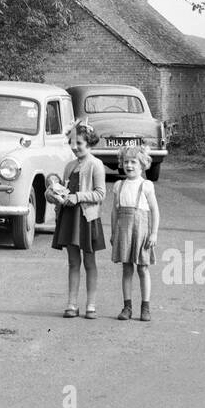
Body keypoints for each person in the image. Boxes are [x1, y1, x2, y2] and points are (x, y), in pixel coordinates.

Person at [49, 123, 108, 319]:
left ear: (89, 143)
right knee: (73, 262)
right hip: (69, 218)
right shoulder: (69, 166)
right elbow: (65, 190)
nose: (74, 147)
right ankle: (72, 304)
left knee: (89, 262)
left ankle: (91, 304)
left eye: (79, 143)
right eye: (72, 143)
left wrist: (78, 197)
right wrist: (56, 195)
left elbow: (100, 194)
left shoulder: (95, 164)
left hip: (87, 218)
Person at [111, 145, 159, 321]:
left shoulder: (146, 185)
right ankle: (127, 307)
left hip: (141, 232)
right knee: (126, 268)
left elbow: (155, 210)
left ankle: (145, 307)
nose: (129, 166)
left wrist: (153, 233)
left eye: (133, 162)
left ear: (142, 164)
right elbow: (114, 211)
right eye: (126, 162)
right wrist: (114, 232)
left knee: (143, 268)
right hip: (124, 231)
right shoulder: (119, 185)